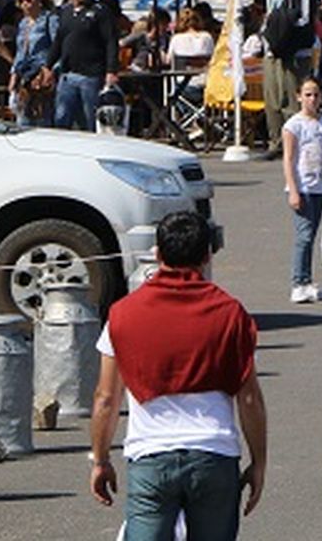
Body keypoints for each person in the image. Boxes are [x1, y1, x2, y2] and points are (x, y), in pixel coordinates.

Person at [90, 211, 267, 541]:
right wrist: (259, 462)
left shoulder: (123, 314)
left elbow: (105, 398)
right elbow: (249, 398)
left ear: (157, 255)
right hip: (215, 455)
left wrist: (100, 459)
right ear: (207, 256)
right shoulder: (231, 314)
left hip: (151, 458)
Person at [284, 77, 322, 304]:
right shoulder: (294, 125)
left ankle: (307, 281)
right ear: (299, 97)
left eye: (316, 94)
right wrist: (294, 190)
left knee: (313, 235)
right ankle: (299, 283)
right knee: (304, 236)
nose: (312, 99)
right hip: (303, 186)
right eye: (307, 94)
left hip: (321, 186)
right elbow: (288, 158)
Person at [42, 0, 118, 130]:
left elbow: (111, 41)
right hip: (67, 76)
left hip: (91, 76)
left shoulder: (100, 11)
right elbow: (59, 41)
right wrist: (48, 66)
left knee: (90, 120)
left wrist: (111, 70)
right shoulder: (65, 12)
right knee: (61, 118)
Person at [262, 0, 319, 158]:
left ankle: (296, 142)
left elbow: (304, 20)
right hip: (272, 53)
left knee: (291, 100)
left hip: (293, 53)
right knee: (272, 99)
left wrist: (286, 39)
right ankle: (275, 141)